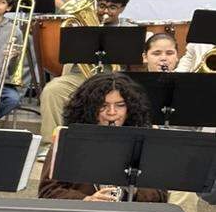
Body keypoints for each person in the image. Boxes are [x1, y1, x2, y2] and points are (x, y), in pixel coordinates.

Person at [39, 73, 167, 202]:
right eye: (103, 106)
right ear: (89, 108)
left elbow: (161, 195)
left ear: (130, 109)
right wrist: (86, 199)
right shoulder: (69, 139)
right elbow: (48, 191)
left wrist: (135, 191)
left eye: (120, 105)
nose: (112, 112)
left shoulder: (143, 141)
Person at [38, 0, 132, 155]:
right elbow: (67, 57)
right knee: (53, 89)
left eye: (112, 7)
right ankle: (50, 145)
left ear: (122, 9)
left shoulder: (128, 29)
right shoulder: (79, 27)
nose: (106, 11)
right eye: (102, 5)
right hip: (81, 76)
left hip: (113, 78)